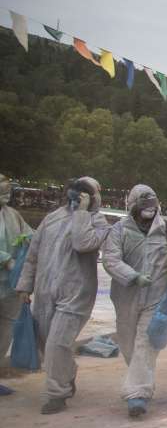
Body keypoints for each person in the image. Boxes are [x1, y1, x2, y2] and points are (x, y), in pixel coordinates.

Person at [15, 177, 110, 414]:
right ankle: (67, 375)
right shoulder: (52, 218)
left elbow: (82, 243)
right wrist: (25, 287)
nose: (80, 194)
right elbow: (33, 255)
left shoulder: (99, 222)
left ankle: (57, 394)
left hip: (75, 293)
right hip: (45, 292)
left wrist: (82, 212)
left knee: (58, 344)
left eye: (88, 192)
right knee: (48, 343)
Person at [101, 184, 167, 418]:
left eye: (152, 205)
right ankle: (139, 380)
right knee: (128, 343)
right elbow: (110, 259)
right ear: (133, 206)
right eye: (144, 205)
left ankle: (137, 395)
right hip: (126, 296)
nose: (149, 210)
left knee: (145, 343)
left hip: (157, 296)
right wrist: (133, 276)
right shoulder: (119, 230)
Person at [0, 175, 34, 363]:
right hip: (6, 271)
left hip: (11, 283)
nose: (6, 194)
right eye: (2, 191)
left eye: (8, 191)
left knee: (6, 328)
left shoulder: (12, 214)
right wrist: (5, 259)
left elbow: (29, 234)